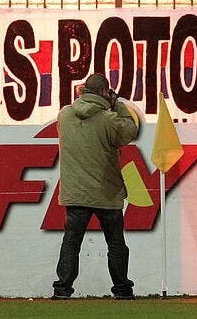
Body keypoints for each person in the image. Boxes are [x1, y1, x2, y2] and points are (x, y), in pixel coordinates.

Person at [52, 73, 139, 300]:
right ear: (104, 93)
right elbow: (131, 130)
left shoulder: (64, 115)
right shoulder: (109, 119)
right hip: (106, 193)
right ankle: (122, 289)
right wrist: (117, 103)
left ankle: (62, 289)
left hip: (75, 193)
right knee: (116, 244)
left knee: (71, 243)